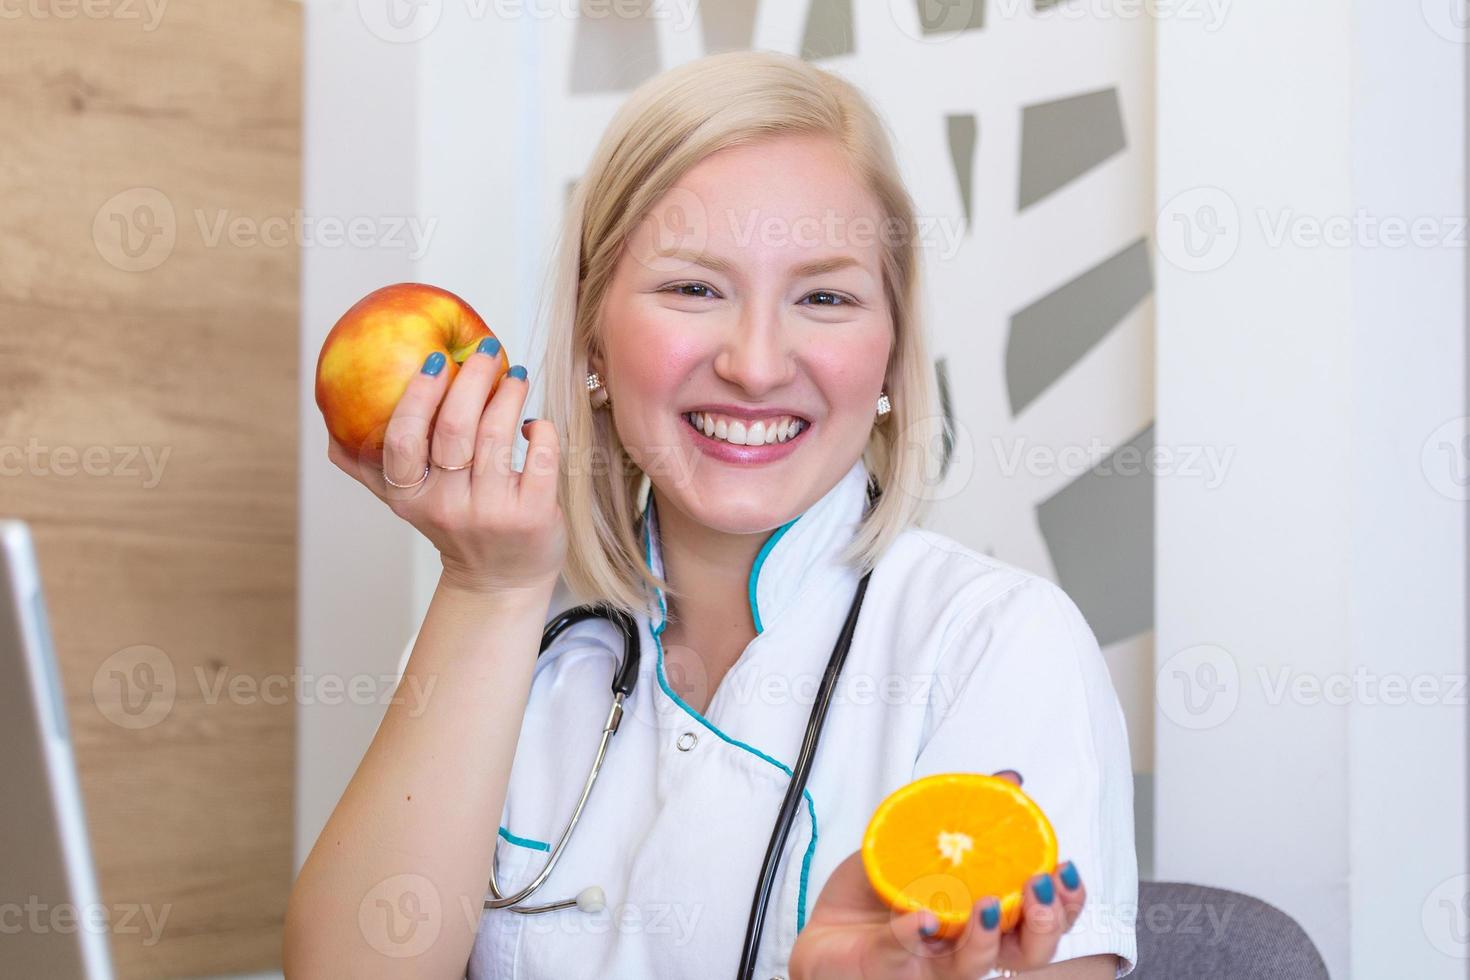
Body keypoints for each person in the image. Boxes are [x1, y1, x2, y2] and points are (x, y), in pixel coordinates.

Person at [284, 49, 1138, 980]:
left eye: (825, 296)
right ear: (592, 336)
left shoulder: (994, 647)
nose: (758, 364)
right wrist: (488, 590)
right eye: (694, 288)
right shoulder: (504, 625)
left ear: (892, 357)